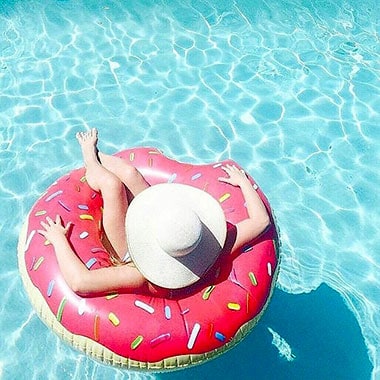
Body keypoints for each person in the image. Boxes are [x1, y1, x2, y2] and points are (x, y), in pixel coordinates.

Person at [38, 129, 270, 295]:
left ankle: (90, 159)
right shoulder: (215, 245)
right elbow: (261, 221)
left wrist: (59, 240)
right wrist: (243, 182)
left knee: (112, 186)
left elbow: (81, 282)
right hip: (163, 224)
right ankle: (98, 156)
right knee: (130, 174)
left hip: (130, 250)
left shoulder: (138, 275)